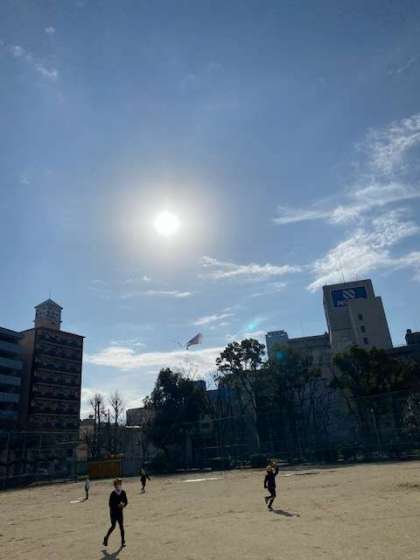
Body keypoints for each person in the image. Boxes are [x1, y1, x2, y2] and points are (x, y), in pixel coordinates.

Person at [103, 479, 128, 548]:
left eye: (120, 484)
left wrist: (123, 505)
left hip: (120, 512)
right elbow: (110, 504)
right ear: (115, 485)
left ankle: (123, 541)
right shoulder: (113, 494)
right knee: (113, 526)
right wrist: (117, 505)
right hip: (113, 513)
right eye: (118, 484)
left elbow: (126, 501)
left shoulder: (123, 492)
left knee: (121, 527)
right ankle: (106, 537)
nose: (119, 485)